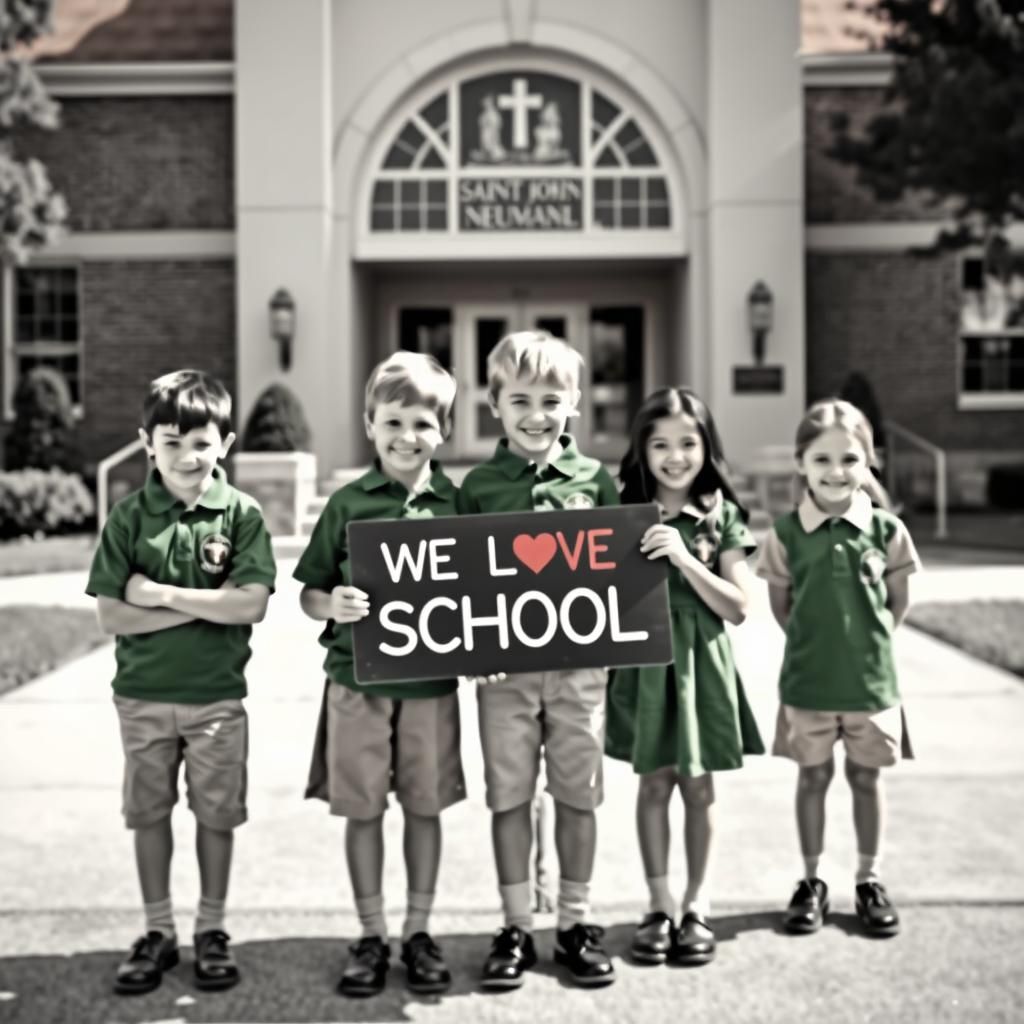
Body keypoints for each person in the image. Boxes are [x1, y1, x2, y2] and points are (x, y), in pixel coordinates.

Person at [87, 369, 276, 995]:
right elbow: (112, 614)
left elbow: (251, 605)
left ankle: (212, 929)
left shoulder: (241, 515)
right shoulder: (128, 517)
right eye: (172, 442)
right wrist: (205, 600)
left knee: (216, 816)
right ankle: (158, 929)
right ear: (148, 444)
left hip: (217, 700)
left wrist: (160, 593)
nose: (188, 456)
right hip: (141, 699)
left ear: (224, 442)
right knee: (149, 814)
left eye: (202, 442)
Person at [295, 351, 464, 998]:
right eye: (392, 422)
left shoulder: (460, 505)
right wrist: (331, 603)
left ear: (443, 430)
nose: (406, 438)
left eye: (422, 423)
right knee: (362, 812)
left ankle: (419, 930)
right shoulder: (346, 504)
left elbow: (486, 596)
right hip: (356, 684)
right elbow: (309, 592)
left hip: (429, 690)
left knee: (425, 808)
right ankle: (370, 932)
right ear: (370, 425)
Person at [456, 330, 620, 989]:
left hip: (580, 673)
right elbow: (460, 586)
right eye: (519, 399)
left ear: (575, 403)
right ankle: (518, 923)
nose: (536, 415)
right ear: (493, 404)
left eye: (552, 400)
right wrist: (473, 646)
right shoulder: (478, 487)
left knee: (578, 794)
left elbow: (620, 577)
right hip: (505, 677)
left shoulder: (595, 480)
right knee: (510, 797)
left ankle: (574, 922)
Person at [605, 387, 762, 967]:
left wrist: (685, 558)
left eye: (688, 443)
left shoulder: (723, 514)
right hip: (645, 665)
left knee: (699, 785)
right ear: (642, 451)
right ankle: (659, 903)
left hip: (700, 664)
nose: (675, 456)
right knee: (652, 783)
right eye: (661, 444)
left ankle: (697, 905)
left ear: (707, 447)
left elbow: (739, 606)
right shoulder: (620, 509)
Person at [756, 398, 921, 938]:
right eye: (822, 459)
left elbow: (897, 603)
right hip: (808, 684)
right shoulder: (784, 535)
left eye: (850, 459)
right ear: (801, 463)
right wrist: (816, 645)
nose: (836, 472)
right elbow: (782, 608)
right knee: (813, 778)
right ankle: (811, 881)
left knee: (866, 779)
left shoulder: (888, 531)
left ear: (868, 463)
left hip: (871, 686)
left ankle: (870, 879)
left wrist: (865, 647)